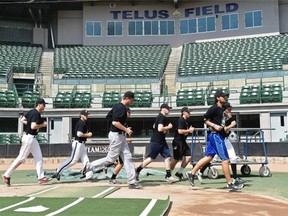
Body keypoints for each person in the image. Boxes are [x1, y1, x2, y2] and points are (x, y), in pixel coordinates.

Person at [83, 91, 142, 189]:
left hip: (119, 135)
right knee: (111, 159)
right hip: (116, 135)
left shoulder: (117, 106)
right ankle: (89, 166)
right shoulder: (121, 107)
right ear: (127, 98)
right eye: (132, 100)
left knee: (128, 157)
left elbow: (109, 117)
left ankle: (132, 182)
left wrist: (122, 130)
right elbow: (114, 122)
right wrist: (126, 129)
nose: (132, 101)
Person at [186, 90, 243, 191]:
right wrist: (214, 125)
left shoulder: (223, 109)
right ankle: (230, 183)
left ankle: (192, 173)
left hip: (217, 135)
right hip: (216, 135)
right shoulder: (214, 108)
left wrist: (229, 119)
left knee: (209, 157)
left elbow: (226, 121)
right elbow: (204, 119)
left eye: (225, 96)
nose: (225, 98)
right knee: (225, 159)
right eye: (223, 96)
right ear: (218, 98)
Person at [2, 98, 51, 186]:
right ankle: (6, 175)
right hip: (29, 138)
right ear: (39, 104)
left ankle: (41, 177)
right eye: (44, 104)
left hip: (32, 139)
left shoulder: (31, 111)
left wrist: (29, 123)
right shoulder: (36, 113)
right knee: (21, 158)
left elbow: (23, 120)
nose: (45, 106)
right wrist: (43, 125)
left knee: (38, 157)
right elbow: (33, 126)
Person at [195, 102, 244, 185]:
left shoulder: (227, 117)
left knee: (232, 157)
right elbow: (222, 129)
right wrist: (230, 126)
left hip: (225, 139)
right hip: (219, 138)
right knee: (213, 158)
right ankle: (199, 172)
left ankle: (235, 177)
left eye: (230, 110)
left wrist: (231, 120)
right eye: (228, 110)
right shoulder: (220, 117)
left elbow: (231, 123)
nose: (230, 111)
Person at [135, 103, 177, 183]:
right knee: (151, 158)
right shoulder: (161, 117)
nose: (169, 110)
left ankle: (168, 176)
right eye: (168, 109)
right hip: (157, 141)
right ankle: (137, 170)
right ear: (163, 109)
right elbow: (160, 129)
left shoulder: (160, 117)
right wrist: (169, 127)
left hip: (161, 140)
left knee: (167, 157)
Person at [51, 109, 92, 181]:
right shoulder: (81, 123)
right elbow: (79, 134)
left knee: (86, 160)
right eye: (85, 115)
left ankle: (87, 175)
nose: (87, 116)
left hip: (82, 144)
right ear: (81, 115)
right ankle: (58, 171)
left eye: (87, 115)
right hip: (78, 143)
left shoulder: (83, 122)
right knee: (73, 160)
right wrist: (88, 135)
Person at [170, 107, 194, 180]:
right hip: (178, 142)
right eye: (188, 112)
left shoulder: (185, 121)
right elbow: (180, 131)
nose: (189, 113)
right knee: (176, 159)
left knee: (188, 156)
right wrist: (189, 130)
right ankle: (168, 174)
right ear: (183, 112)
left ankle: (179, 172)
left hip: (183, 141)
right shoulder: (181, 120)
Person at [109, 107, 132, 184]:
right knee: (112, 160)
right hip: (117, 142)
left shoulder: (125, 122)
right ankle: (91, 166)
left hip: (121, 142)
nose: (130, 115)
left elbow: (122, 135)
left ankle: (113, 178)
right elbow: (115, 125)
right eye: (129, 113)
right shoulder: (121, 120)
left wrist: (126, 139)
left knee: (121, 163)